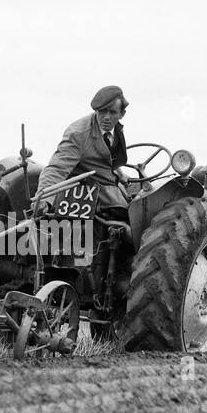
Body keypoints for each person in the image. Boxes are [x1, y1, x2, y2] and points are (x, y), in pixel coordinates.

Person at [36, 85, 132, 308]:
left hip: (107, 182)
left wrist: (118, 172)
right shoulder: (79, 133)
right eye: (102, 113)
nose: (106, 118)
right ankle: (122, 279)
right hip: (89, 190)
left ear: (121, 114)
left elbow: (104, 158)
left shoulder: (115, 130)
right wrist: (46, 198)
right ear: (96, 111)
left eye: (112, 113)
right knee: (133, 223)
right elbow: (57, 168)